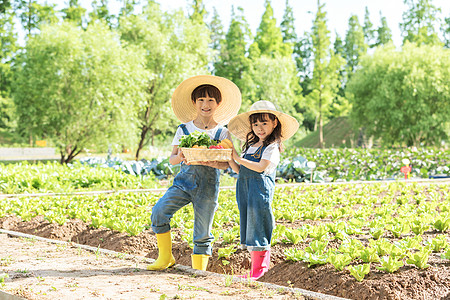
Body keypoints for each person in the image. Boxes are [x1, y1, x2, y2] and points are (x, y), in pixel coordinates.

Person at [148, 75, 241, 271]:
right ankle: (165, 258)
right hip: (183, 184)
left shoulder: (222, 133)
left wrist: (212, 162)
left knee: (203, 233)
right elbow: (172, 158)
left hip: (208, 188)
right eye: (201, 100)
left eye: (210, 100)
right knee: (159, 212)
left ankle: (199, 273)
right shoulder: (184, 129)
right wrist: (182, 155)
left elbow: (225, 164)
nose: (205, 105)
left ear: (218, 103)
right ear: (194, 102)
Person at [227, 100, 299, 279]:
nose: (260, 128)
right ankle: (254, 270)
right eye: (255, 124)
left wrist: (237, 156)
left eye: (264, 123)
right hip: (244, 190)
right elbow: (240, 170)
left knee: (259, 224)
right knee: (249, 224)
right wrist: (229, 157)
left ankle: (261, 270)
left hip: (259, 192)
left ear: (274, 123)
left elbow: (260, 167)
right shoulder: (251, 146)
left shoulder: (272, 147)